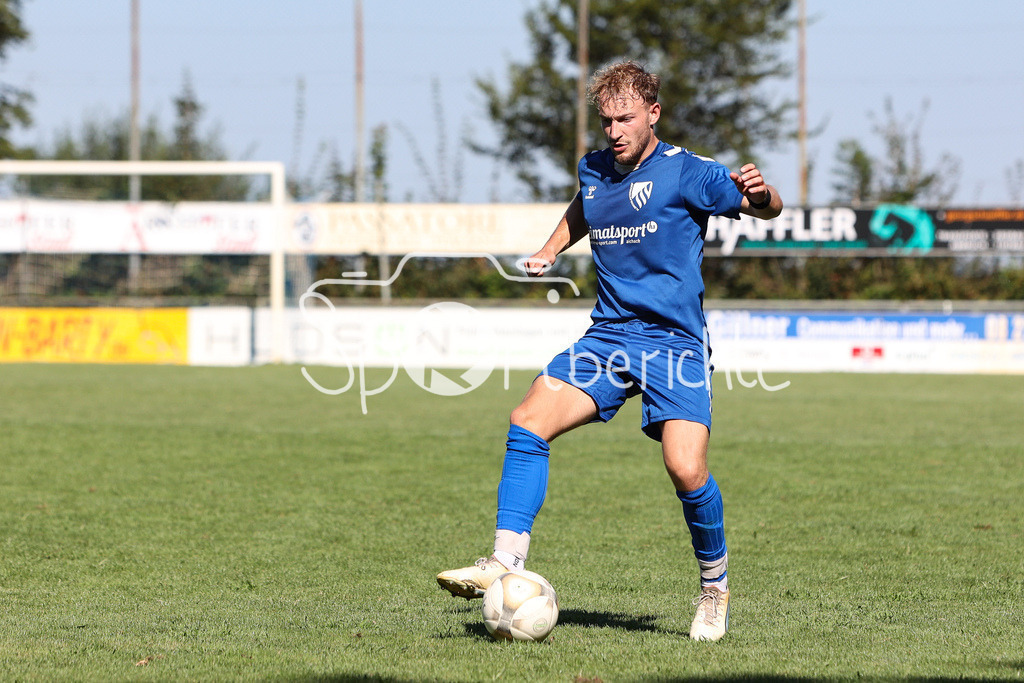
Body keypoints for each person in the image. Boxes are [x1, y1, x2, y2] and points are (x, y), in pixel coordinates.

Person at [436, 60, 782, 642]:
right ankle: (505, 560)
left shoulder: (689, 173)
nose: (615, 131)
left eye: (626, 118)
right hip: (609, 336)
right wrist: (549, 250)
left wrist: (762, 192)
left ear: (653, 113)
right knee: (526, 421)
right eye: (606, 121)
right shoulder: (595, 168)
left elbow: (764, 208)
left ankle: (714, 587)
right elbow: (584, 207)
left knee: (685, 467)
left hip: (674, 343)